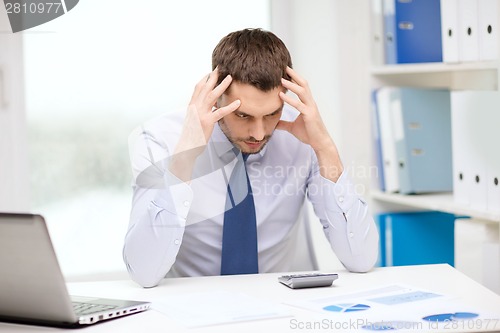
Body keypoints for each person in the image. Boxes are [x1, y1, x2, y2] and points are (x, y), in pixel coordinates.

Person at [123, 28, 379, 288]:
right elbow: (143, 272)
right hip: (193, 309)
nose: (258, 133)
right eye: (243, 115)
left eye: (271, 114)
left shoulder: (301, 135)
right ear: (215, 96)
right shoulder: (158, 138)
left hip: (282, 305)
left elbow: (362, 259)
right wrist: (185, 157)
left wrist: (325, 147)